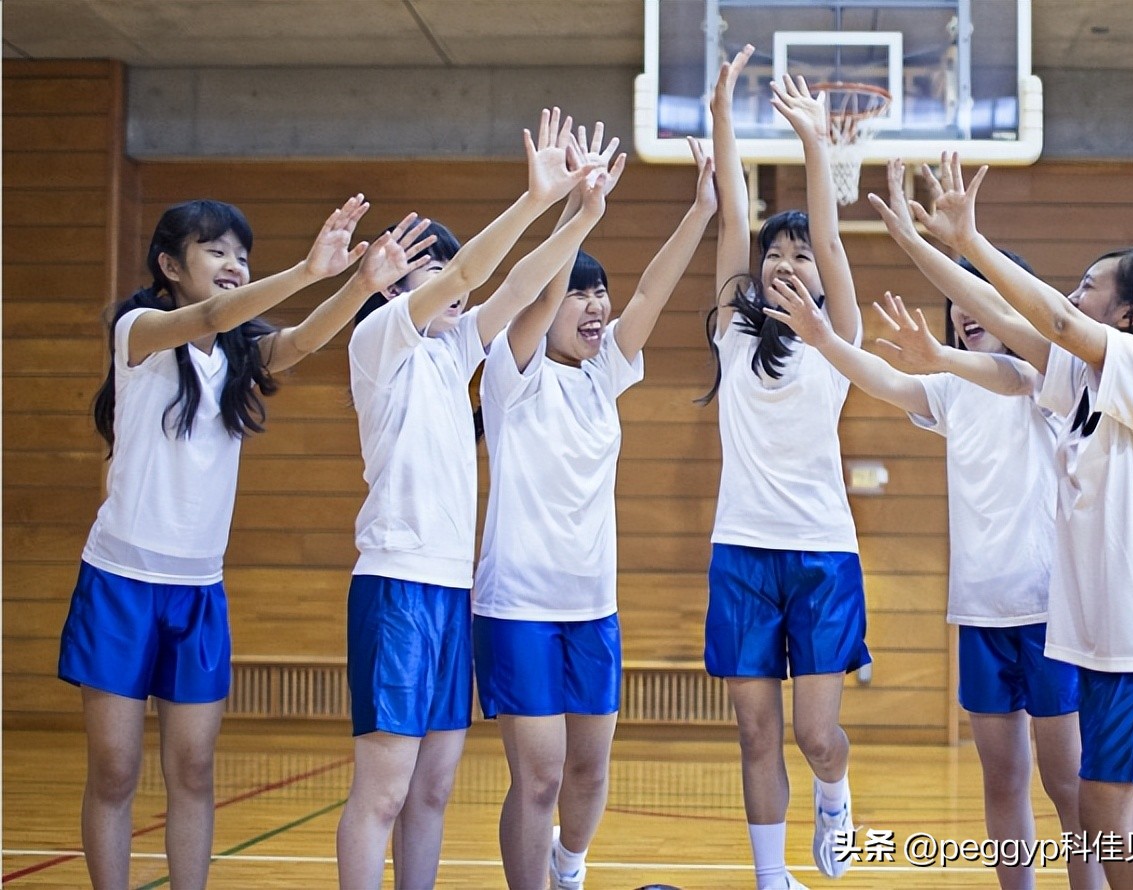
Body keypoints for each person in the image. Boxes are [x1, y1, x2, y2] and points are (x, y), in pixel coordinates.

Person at [57, 194, 432, 889]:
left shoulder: (235, 356)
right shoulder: (140, 330)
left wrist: (357, 283)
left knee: (194, 770)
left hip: (198, 590)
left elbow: (302, 340)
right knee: (114, 770)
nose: (233, 264)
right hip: (120, 583)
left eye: (240, 253)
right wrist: (304, 270)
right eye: (215, 250)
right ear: (170, 264)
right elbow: (206, 316)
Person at [877, 152, 1133, 890]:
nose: (1072, 295)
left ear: (1131, 314)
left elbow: (1046, 318)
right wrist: (915, 242)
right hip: (1108, 636)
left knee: (1110, 825)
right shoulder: (1086, 384)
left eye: (1091, 286)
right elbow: (1002, 319)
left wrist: (971, 239)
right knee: (1120, 822)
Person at [335, 108, 610, 890]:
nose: (450, 284)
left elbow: (517, 284)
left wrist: (578, 211)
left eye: (446, 272)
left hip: (452, 590)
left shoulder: (456, 351)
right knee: (384, 788)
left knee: (433, 788)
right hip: (395, 585)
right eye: (427, 271)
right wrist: (531, 202)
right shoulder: (379, 342)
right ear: (393, 285)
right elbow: (468, 278)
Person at [763, 264, 1102, 888]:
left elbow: (1011, 374)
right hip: (980, 614)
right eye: (953, 302)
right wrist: (824, 339)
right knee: (1002, 779)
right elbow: (887, 381)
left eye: (978, 301)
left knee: (1067, 783)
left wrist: (940, 354)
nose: (962, 312)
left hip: (1051, 612)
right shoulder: (951, 389)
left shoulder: (1043, 380)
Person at [470, 127, 713, 890]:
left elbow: (651, 292)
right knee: (537, 779)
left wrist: (702, 209)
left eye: (597, 289)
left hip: (592, 607)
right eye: (580, 290)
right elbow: (532, 297)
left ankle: (568, 869)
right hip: (518, 609)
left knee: (588, 772)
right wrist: (577, 211)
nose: (596, 302)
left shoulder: (604, 373)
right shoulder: (512, 378)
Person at [702, 45, 868, 890]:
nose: (788, 263)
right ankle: (772, 877)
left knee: (813, 736)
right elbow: (734, 214)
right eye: (778, 255)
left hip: (822, 554)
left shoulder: (838, 348)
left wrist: (812, 143)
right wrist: (724, 112)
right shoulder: (734, 337)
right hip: (741, 551)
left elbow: (834, 240)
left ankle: (835, 794)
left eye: (800, 256)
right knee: (755, 733)